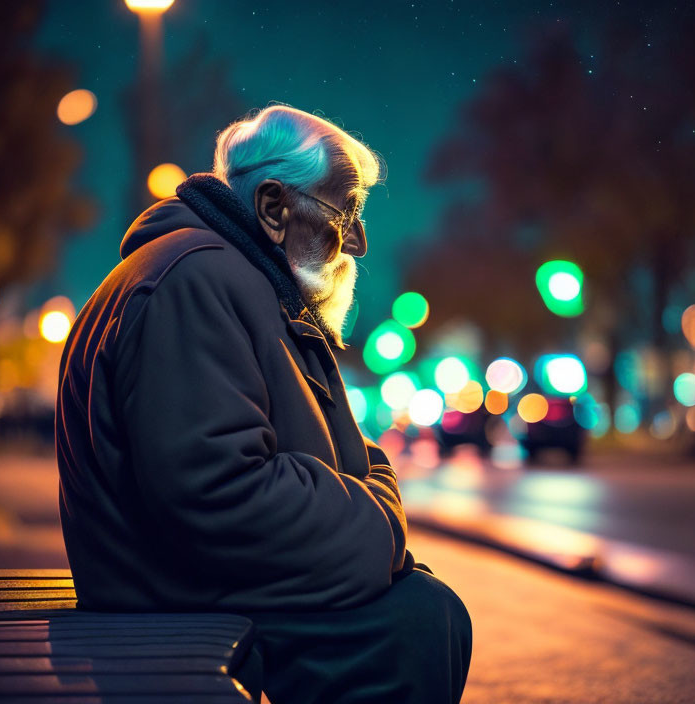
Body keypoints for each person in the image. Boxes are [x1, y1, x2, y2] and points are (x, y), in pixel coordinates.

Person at [55, 103, 472, 703]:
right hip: (173, 597)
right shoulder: (196, 282)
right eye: (345, 211)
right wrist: (378, 522)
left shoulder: (231, 277)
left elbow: (332, 455)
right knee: (414, 621)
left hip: (190, 585)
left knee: (424, 609)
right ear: (274, 208)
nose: (357, 240)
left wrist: (366, 500)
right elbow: (219, 493)